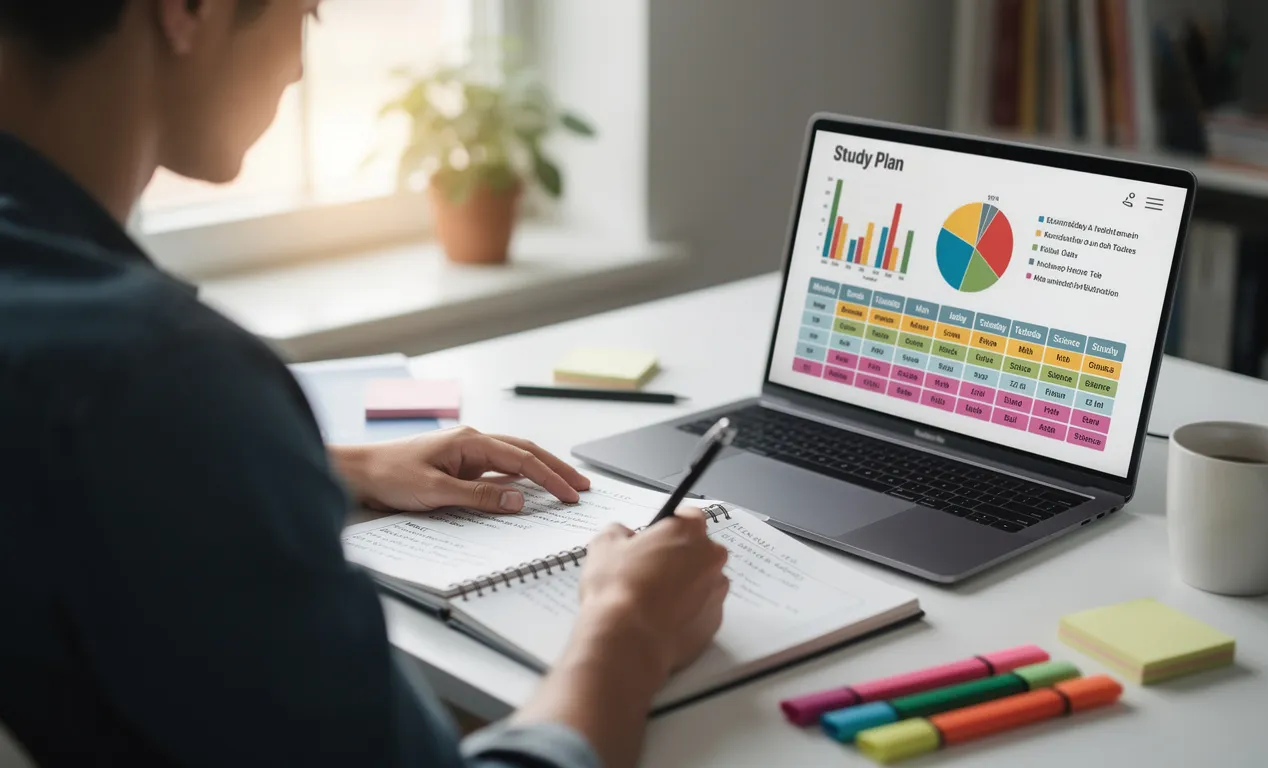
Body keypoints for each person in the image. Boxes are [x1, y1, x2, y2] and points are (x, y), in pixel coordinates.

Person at [0, 1, 731, 766]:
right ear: (190, 10)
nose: (301, 60)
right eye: (308, 9)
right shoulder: (156, 376)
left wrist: (335, 466)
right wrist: (627, 630)